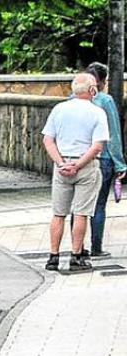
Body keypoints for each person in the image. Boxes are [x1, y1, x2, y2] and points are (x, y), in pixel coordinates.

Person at [42, 73, 109, 273]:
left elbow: (48, 140)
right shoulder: (97, 112)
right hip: (86, 165)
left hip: (62, 164)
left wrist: (61, 163)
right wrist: (78, 165)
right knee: (81, 213)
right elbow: (97, 146)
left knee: (58, 213)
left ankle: (53, 256)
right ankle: (76, 255)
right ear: (92, 90)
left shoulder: (59, 109)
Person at [85, 63, 127, 258]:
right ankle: (96, 247)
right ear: (103, 81)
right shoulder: (106, 101)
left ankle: (78, 248)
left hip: (80, 158)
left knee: (79, 206)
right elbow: (113, 134)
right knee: (99, 204)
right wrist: (120, 163)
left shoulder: (73, 100)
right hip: (103, 158)